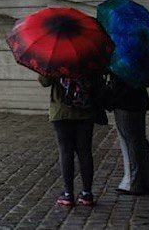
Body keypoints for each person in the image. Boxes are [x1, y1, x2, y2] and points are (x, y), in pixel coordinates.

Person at [40, 74, 107, 207]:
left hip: (61, 111)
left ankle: (68, 194)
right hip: (85, 111)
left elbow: (45, 81)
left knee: (66, 151)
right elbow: (98, 82)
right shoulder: (89, 58)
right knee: (85, 151)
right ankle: (87, 193)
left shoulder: (56, 58)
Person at [107, 75, 149, 195]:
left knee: (129, 140)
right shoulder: (140, 60)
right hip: (139, 100)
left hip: (124, 101)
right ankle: (147, 180)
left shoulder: (121, 63)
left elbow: (118, 83)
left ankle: (133, 181)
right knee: (139, 139)